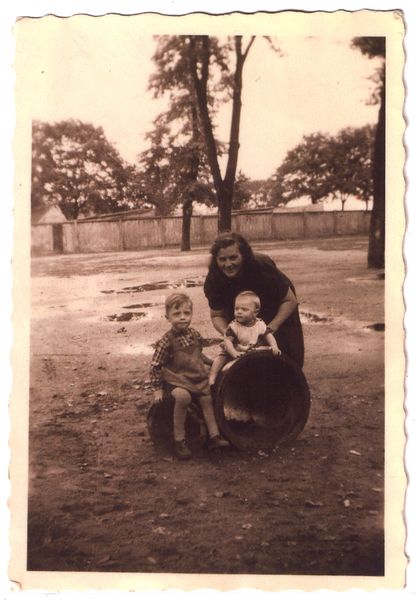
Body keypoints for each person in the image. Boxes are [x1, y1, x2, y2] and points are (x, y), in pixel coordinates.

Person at [204, 232, 305, 369]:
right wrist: (231, 333)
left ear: (244, 255)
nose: (228, 264)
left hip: (275, 304)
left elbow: (289, 301)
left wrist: (269, 329)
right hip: (241, 305)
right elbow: (217, 315)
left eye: (233, 258)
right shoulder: (214, 279)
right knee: (245, 354)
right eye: (222, 259)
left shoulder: (262, 267)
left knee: (286, 355)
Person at [150, 292, 230, 460]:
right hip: (175, 379)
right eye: (176, 314)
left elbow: (197, 355)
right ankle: (179, 440)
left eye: (187, 313)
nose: (182, 317)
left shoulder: (195, 335)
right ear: (167, 317)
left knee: (207, 399)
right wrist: (157, 390)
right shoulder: (166, 341)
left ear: (192, 314)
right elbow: (156, 366)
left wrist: (212, 363)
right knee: (183, 397)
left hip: (195, 377)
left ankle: (214, 436)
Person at [209, 290, 281, 386]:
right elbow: (228, 341)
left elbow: (268, 335)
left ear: (255, 312)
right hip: (235, 347)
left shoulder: (260, 324)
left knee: (268, 353)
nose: (239, 312)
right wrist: (233, 352)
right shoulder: (234, 326)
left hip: (252, 347)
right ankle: (212, 376)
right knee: (221, 357)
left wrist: (274, 346)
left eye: (244, 309)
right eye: (236, 309)